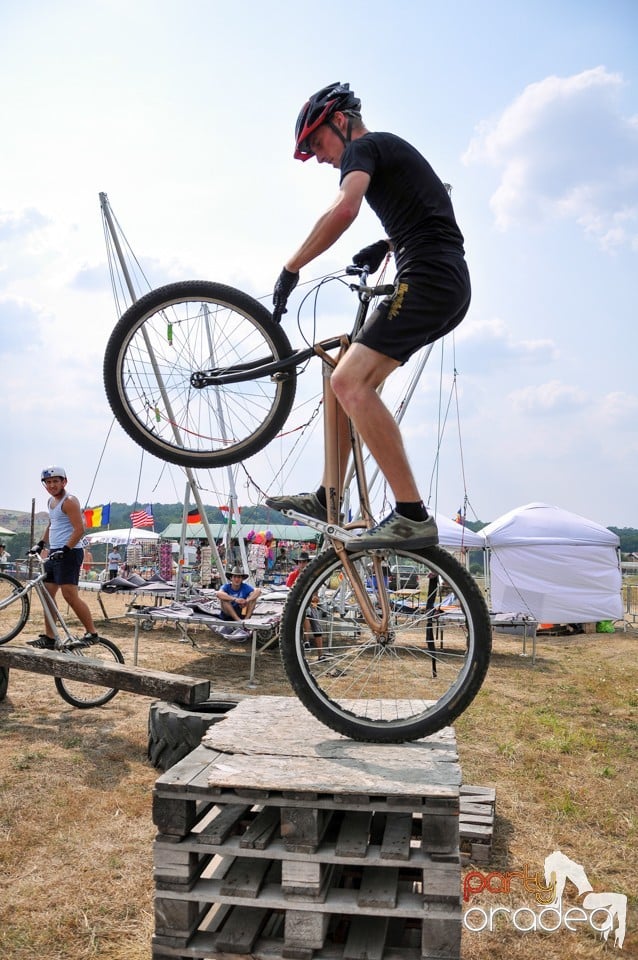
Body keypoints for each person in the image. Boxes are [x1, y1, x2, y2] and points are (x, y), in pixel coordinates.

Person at [267, 82, 471, 550]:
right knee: (346, 375)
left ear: (340, 121)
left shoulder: (366, 147)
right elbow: (428, 207)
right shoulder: (388, 152)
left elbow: (345, 208)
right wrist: (389, 243)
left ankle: (411, 514)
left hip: (429, 280)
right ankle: (328, 494)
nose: (319, 158)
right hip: (438, 276)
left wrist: (291, 266)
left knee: (348, 382)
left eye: (317, 144)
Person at [27, 466, 99, 649]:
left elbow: (80, 529)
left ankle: (92, 633)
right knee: (47, 595)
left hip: (70, 552)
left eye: (55, 482)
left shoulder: (70, 501)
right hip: (55, 552)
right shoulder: (51, 501)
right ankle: (50, 638)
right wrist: (42, 543)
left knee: (69, 595)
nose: (52, 485)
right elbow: (53, 524)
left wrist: (66, 548)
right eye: (48, 482)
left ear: (64, 482)